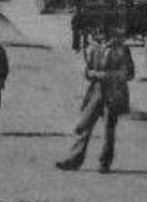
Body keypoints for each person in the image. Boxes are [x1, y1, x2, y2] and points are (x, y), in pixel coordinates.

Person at [56, 26, 134, 173]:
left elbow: (128, 74)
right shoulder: (96, 49)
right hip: (96, 93)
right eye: (99, 34)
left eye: (104, 34)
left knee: (108, 131)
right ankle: (74, 159)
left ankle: (104, 163)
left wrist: (106, 76)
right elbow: (88, 70)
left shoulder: (121, 50)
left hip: (113, 94)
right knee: (83, 125)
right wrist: (90, 73)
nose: (101, 37)